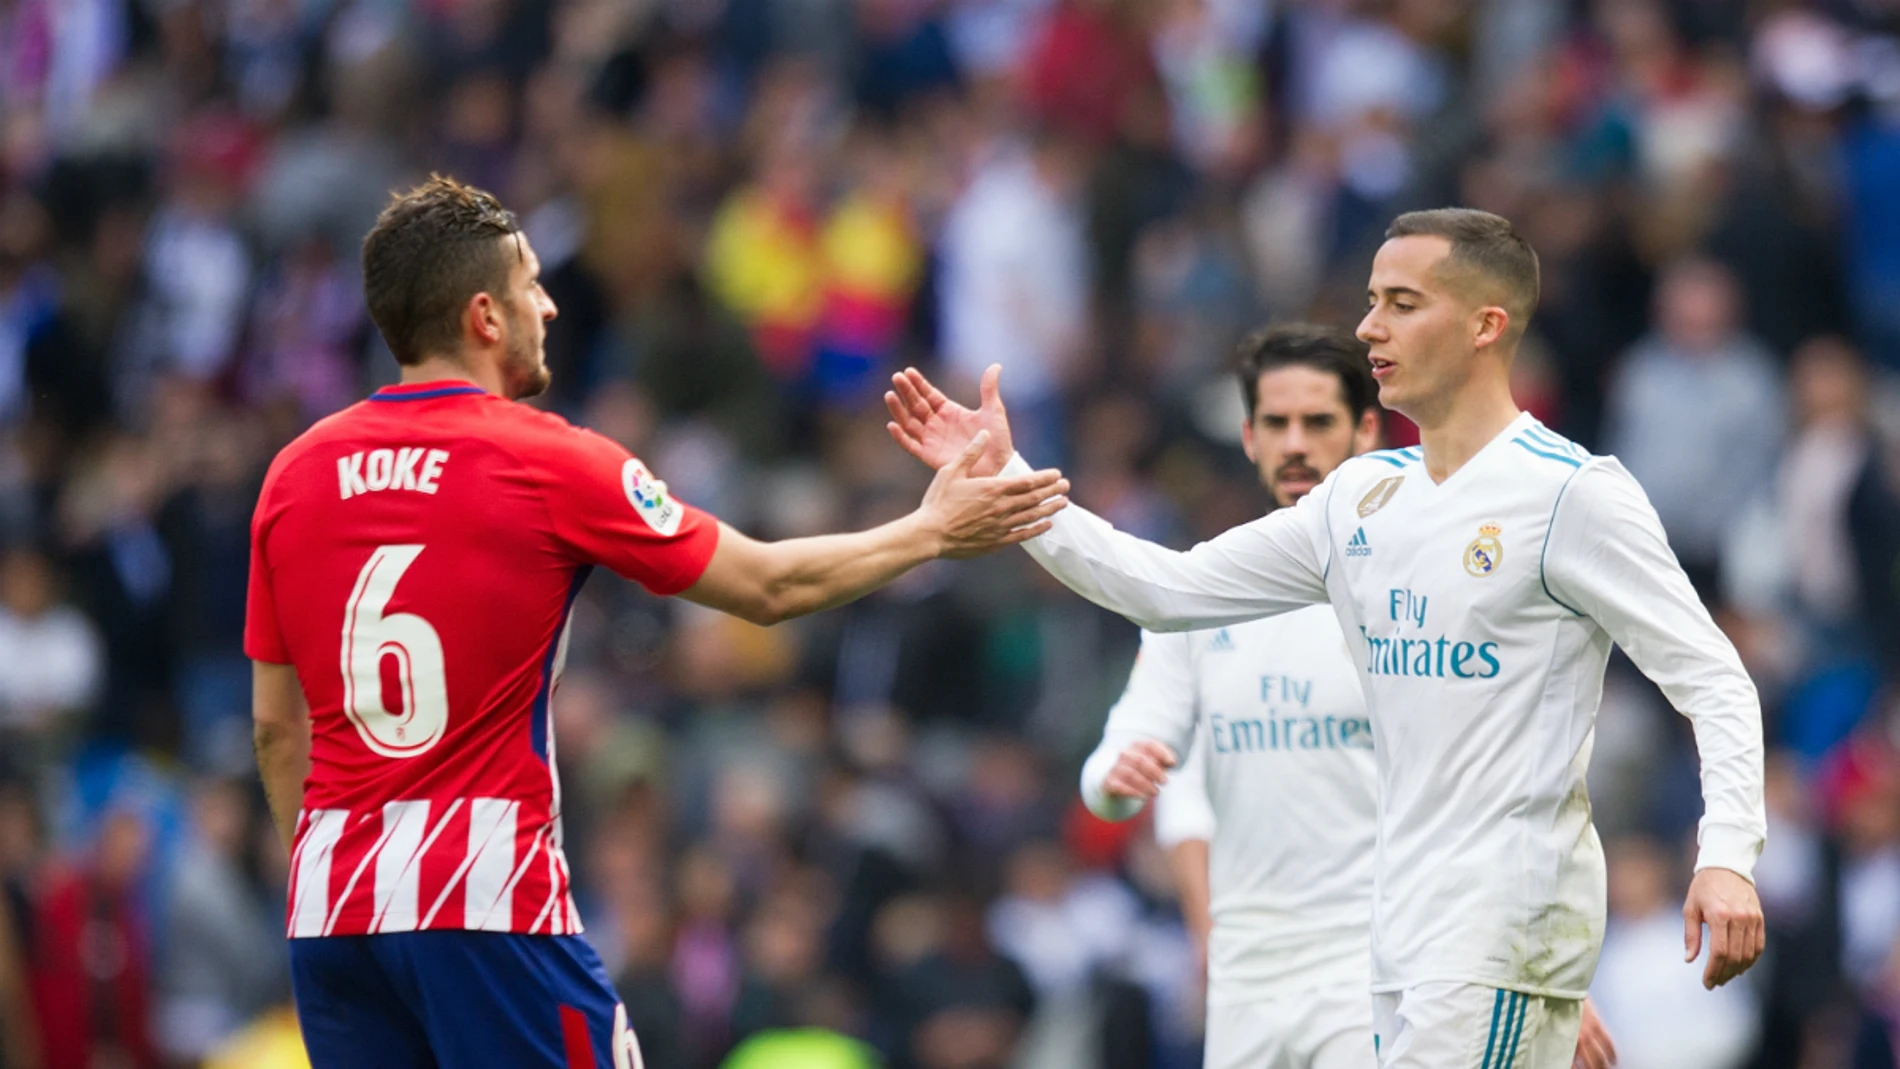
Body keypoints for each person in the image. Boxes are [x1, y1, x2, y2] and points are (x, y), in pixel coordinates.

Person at [884, 208, 1767, 1069]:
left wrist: (1726, 855)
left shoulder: (1571, 495)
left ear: (1486, 326)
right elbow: (1166, 586)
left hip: (1499, 923)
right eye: (1372, 298)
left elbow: (1714, 679)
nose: (1367, 325)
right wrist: (1004, 479)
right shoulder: (1363, 500)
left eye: (1402, 303)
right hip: (1393, 933)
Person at [245, 175, 1068, 1069]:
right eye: (531, 285)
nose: (550, 307)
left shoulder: (293, 475)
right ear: (484, 315)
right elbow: (766, 586)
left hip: (332, 910)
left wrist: (339, 878)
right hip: (482, 900)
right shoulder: (546, 460)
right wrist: (931, 532)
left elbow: (275, 728)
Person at [1080, 323, 1614, 1069]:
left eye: (1319, 421)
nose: (1296, 444)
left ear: (1367, 430)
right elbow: (1149, 761)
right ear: (1248, 436)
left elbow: (1485, 783)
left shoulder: (1414, 587)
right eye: (1277, 423)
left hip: (1380, 963)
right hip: (1246, 977)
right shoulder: (1206, 594)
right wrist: (1112, 779)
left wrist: (1530, 971)